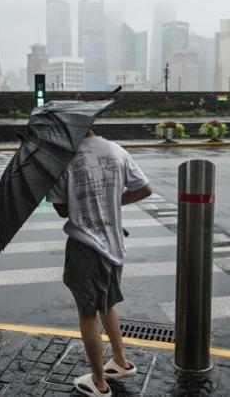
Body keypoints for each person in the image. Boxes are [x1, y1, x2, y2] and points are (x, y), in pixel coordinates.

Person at [47, 127, 153, 397]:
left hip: (85, 246)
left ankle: (98, 381)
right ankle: (119, 359)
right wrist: (111, 202)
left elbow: (61, 210)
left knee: (87, 314)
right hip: (115, 242)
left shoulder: (64, 160)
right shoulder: (116, 149)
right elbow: (144, 189)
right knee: (107, 303)